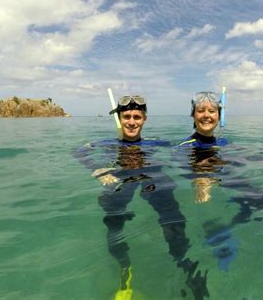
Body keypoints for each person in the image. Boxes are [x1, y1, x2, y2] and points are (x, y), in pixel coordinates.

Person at [75, 95, 209, 300]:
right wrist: (98, 169)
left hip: (152, 177)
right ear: (119, 118)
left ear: (144, 119)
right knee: (114, 219)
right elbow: (79, 151)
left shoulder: (157, 143)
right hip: (122, 179)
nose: (131, 121)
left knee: (173, 217)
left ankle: (183, 262)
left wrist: (201, 175)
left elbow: (188, 147)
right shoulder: (107, 144)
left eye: (136, 117)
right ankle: (124, 268)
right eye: (126, 116)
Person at [176, 91, 263, 271]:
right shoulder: (186, 146)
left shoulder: (224, 142)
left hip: (232, 177)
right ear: (193, 115)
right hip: (213, 183)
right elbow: (180, 163)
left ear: (218, 115)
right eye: (201, 110)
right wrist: (200, 179)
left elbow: (245, 154)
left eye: (211, 111)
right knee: (259, 202)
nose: (206, 115)